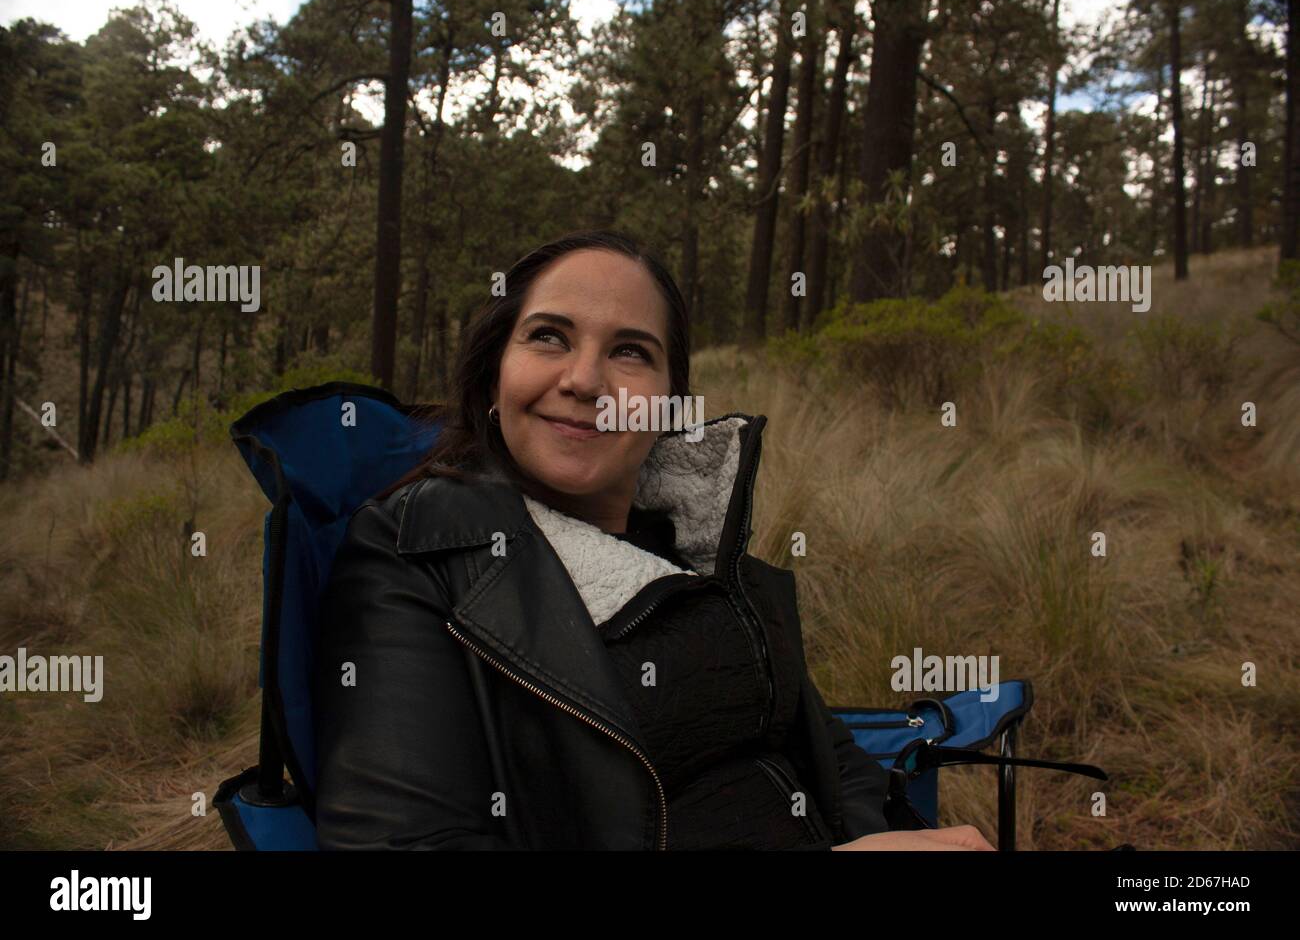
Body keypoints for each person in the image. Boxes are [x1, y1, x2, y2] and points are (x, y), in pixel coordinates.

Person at [312, 229, 994, 851]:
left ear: (670, 400)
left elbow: (826, 752)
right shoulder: (422, 553)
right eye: (549, 336)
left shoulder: (693, 547)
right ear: (495, 372)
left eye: (630, 352)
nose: (583, 381)